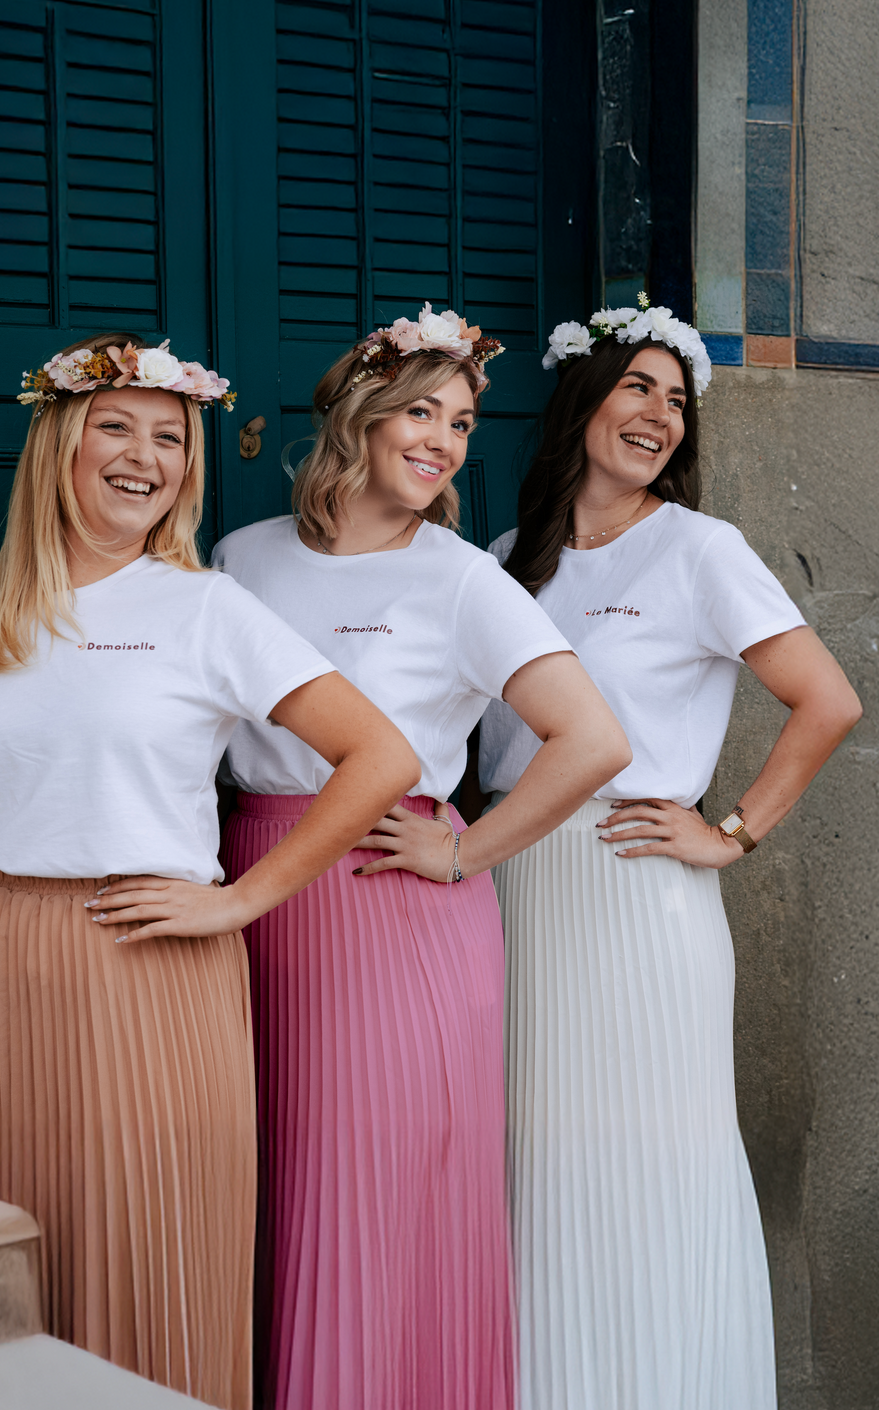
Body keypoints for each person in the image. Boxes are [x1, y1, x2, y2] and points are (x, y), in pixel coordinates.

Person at [0, 332, 420, 1410]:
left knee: (159, 1271)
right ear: (61, 445)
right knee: (17, 1270)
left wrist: (242, 897)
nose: (146, 456)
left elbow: (383, 757)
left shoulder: (206, 608)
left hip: (151, 964)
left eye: (171, 437)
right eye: (117, 427)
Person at [206, 304, 631, 1410]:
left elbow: (593, 739)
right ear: (360, 414)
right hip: (257, 885)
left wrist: (463, 852)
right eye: (421, 411)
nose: (444, 438)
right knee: (283, 1186)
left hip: (396, 898)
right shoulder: (238, 557)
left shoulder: (458, 578)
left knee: (375, 1194)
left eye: (462, 419)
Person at [473, 299, 863, 1409]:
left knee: (651, 1167)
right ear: (580, 398)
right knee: (536, 1162)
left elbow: (825, 700)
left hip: (639, 890)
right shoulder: (508, 558)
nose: (656, 415)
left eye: (675, 400)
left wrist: (728, 829)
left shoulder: (700, 548)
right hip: (514, 885)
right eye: (635, 387)